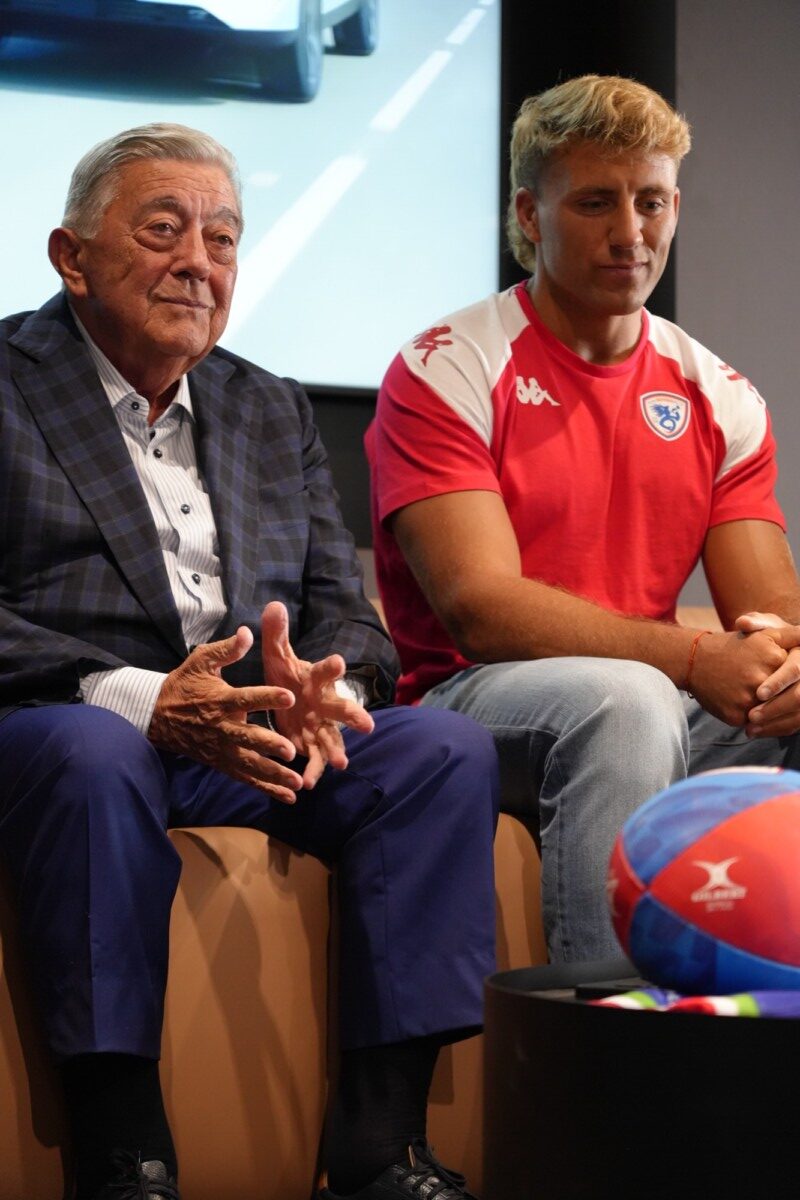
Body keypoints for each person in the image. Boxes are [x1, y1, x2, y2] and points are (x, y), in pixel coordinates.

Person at [0, 123, 499, 1200]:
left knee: (441, 753)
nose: (199, 262)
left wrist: (331, 689)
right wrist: (141, 699)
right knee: (94, 755)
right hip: (69, 728)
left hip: (251, 736)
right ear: (71, 257)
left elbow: (344, 612)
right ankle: (125, 1154)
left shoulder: (268, 405)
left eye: (222, 238)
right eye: (163, 230)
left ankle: (381, 1150)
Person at [368, 74, 800, 966]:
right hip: (472, 706)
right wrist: (690, 659)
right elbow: (480, 610)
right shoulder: (448, 367)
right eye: (597, 202)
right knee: (626, 700)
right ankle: (606, 1040)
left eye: (652, 202)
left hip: (655, 696)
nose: (631, 233)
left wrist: (790, 663)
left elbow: (770, 615)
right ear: (530, 215)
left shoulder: (720, 394)